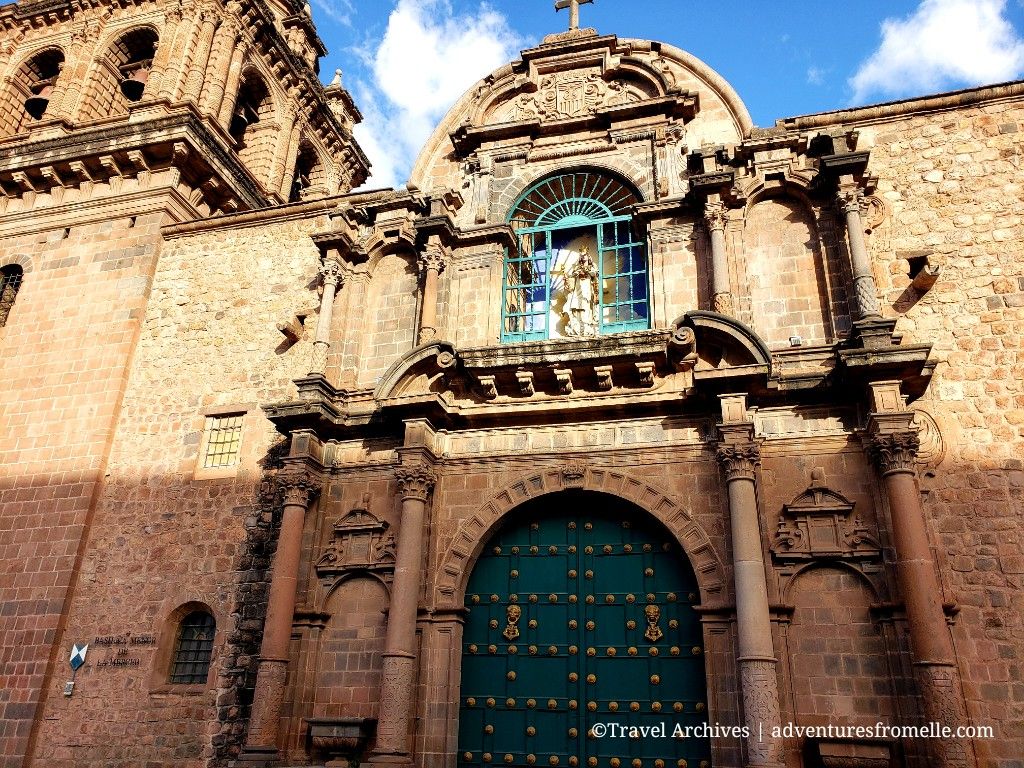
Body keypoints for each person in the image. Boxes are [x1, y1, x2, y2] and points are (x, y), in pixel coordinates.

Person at [564, 247, 599, 336]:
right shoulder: (577, 267)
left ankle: (586, 324)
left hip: (587, 287)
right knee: (577, 305)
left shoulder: (592, 266)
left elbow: (595, 274)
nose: (583, 257)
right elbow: (572, 276)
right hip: (578, 288)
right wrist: (577, 272)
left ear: (588, 256)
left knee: (586, 304)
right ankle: (578, 324)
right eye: (581, 255)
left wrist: (587, 270)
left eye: (584, 255)